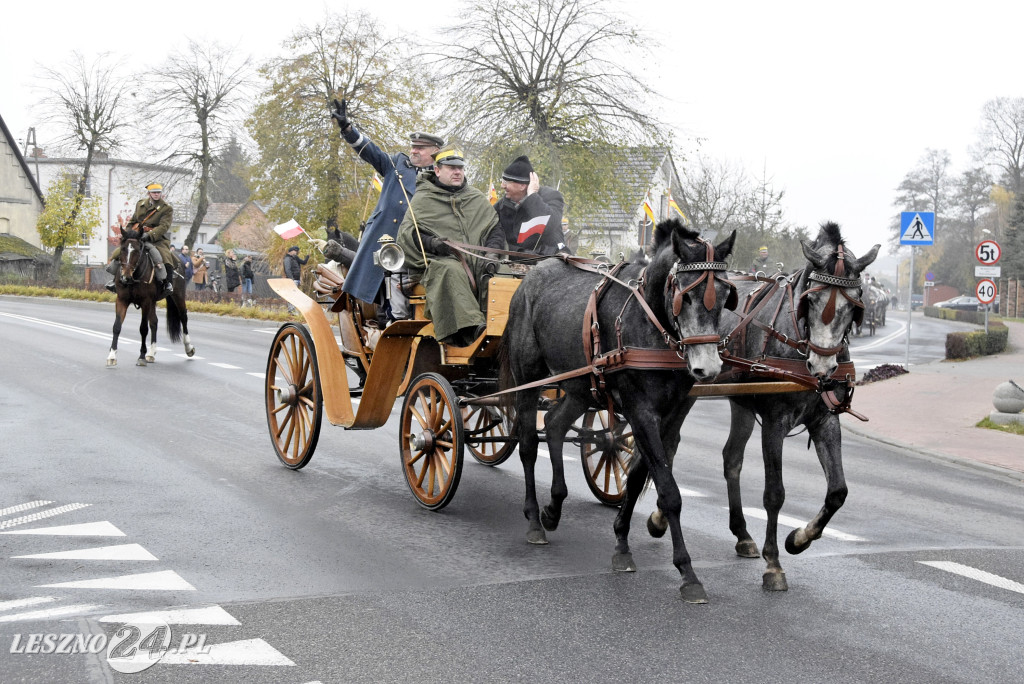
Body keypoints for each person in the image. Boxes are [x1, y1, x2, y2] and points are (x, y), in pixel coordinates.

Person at [328, 98, 443, 322]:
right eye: (413, 147)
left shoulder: (440, 176)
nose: (414, 151)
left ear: (435, 151)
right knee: (387, 294)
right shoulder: (397, 164)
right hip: (385, 241)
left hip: (421, 247)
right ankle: (387, 327)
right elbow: (370, 151)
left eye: (421, 148)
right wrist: (347, 128)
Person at [396, 145, 505, 346]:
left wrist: (492, 254)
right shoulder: (423, 199)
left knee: (505, 274)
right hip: (439, 263)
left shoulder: (476, 198)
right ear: (437, 170)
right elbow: (408, 235)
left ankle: (504, 326)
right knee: (450, 270)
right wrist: (433, 243)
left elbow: (494, 229)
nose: (457, 172)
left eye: (460, 168)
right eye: (451, 167)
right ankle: (471, 329)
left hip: (479, 262)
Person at [105, 183, 176, 294]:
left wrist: (149, 235)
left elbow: (164, 226)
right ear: (149, 193)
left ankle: (168, 283)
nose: (157, 194)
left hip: (156, 239)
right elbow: (133, 221)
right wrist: (128, 234)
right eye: (154, 192)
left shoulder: (166, 208)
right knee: (121, 252)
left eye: (158, 192)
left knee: (165, 256)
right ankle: (115, 281)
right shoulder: (140, 204)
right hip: (136, 236)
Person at [494, 155, 569, 257]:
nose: (502, 186)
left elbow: (550, 224)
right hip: (516, 264)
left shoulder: (552, 196)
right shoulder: (499, 207)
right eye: (502, 181)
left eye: (506, 182)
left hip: (551, 262)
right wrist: (523, 253)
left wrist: (532, 196)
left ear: (522, 186)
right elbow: (497, 239)